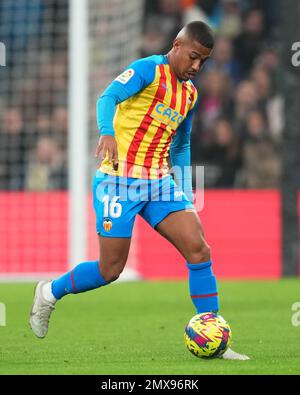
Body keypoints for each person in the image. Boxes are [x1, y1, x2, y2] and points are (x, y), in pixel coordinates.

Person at [29, 21, 249, 360]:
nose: (196, 67)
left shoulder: (190, 94)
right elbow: (109, 97)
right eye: (193, 57)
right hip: (119, 182)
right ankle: (49, 292)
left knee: (199, 250)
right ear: (177, 44)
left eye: (203, 61)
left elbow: (182, 143)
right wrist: (107, 132)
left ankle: (213, 336)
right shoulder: (147, 70)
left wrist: (185, 187)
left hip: (160, 183)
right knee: (110, 270)